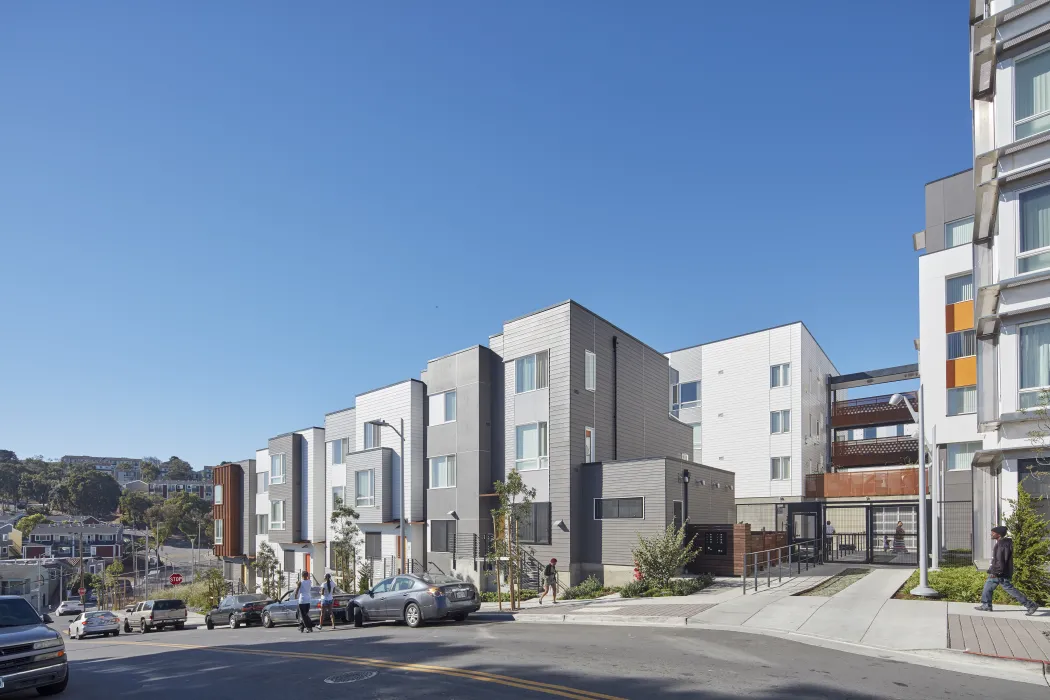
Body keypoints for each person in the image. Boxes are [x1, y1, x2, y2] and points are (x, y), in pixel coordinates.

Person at [976, 526, 1040, 615]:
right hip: (996, 571)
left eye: (993, 532)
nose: (991, 534)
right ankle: (986, 605)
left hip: (1000, 572)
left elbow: (1001, 560)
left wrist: (996, 572)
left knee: (1010, 589)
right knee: (987, 587)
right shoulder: (1000, 543)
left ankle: (1030, 605)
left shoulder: (1002, 545)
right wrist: (992, 569)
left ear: (998, 534)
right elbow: (996, 559)